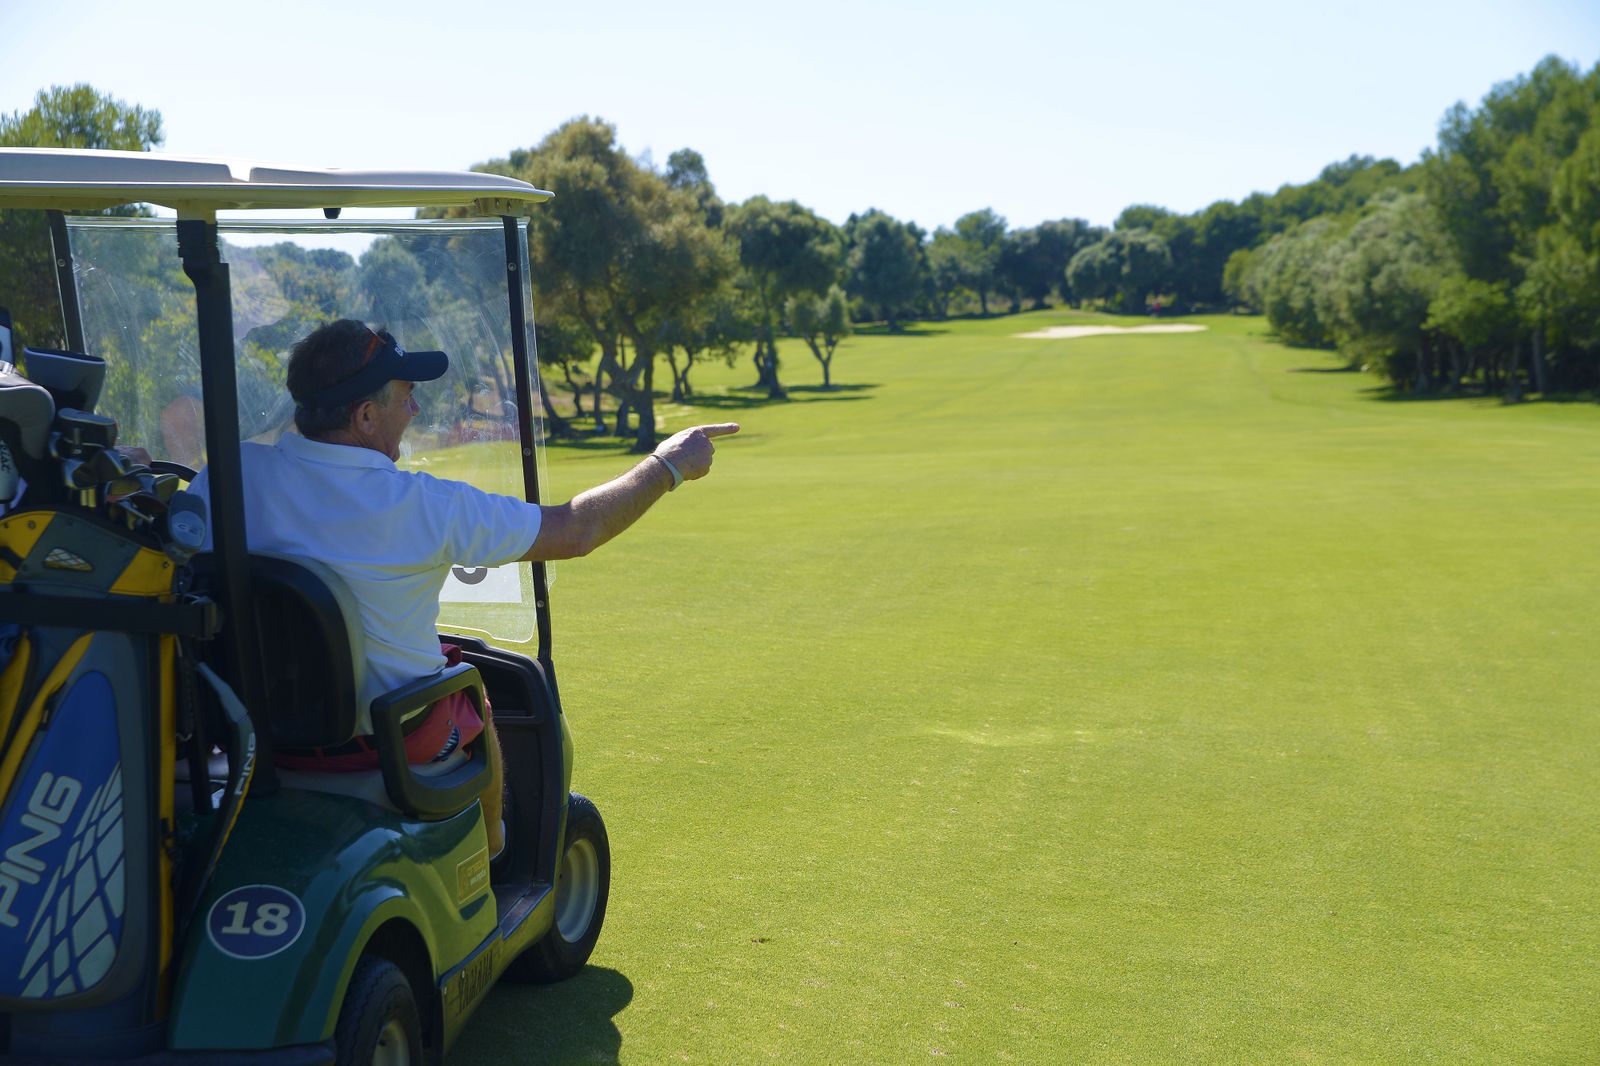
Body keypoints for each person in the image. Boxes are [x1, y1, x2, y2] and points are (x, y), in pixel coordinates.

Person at [192, 319, 738, 853]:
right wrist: (667, 465)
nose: (415, 410)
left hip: (245, 731)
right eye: (406, 396)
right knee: (471, 691)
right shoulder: (423, 505)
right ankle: (493, 851)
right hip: (387, 739)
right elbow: (576, 530)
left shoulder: (226, 476)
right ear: (365, 416)